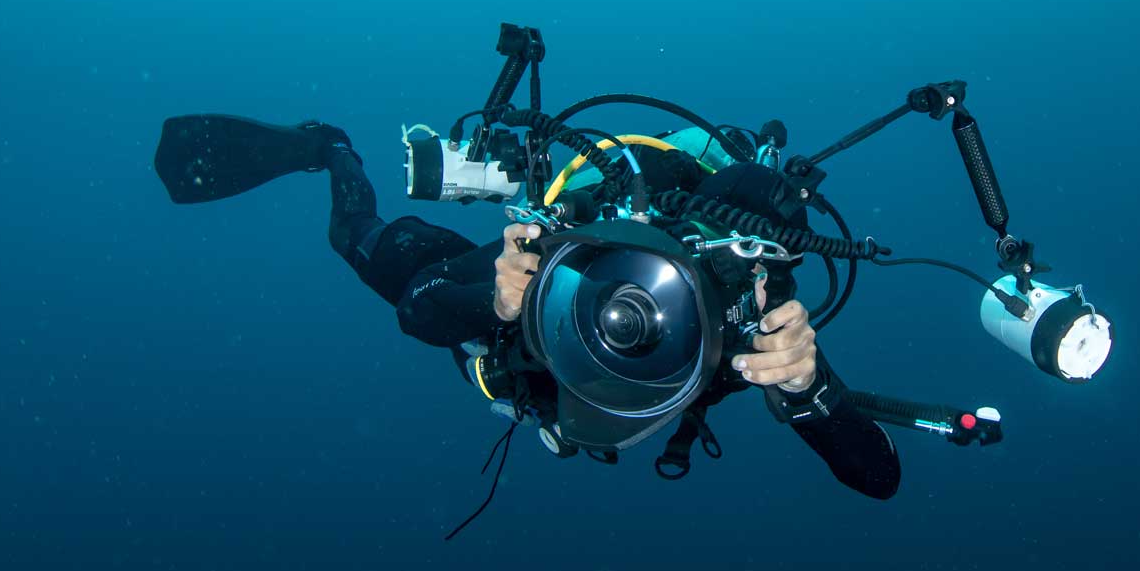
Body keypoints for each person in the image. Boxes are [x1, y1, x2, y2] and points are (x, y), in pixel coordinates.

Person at [154, 114, 901, 501]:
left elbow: (877, 477)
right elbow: (419, 311)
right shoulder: (575, 259)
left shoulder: (754, 317)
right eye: (682, 252)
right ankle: (329, 147)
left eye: (727, 267)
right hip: (479, 297)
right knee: (361, 240)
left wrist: (809, 392)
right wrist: (497, 298)